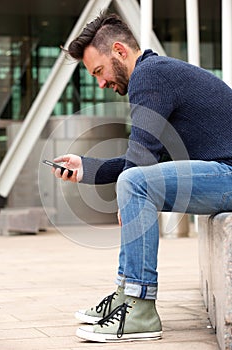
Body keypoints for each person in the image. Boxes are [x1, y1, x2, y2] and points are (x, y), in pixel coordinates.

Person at [52, 11, 232, 343]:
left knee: (135, 183)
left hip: (228, 174)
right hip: (219, 173)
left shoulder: (150, 75)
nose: (101, 83)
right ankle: (127, 295)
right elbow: (147, 154)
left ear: (119, 51)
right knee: (135, 181)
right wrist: (87, 168)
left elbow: (141, 159)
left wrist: (130, 194)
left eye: (99, 71)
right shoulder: (159, 75)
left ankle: (140, 305)